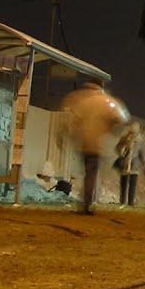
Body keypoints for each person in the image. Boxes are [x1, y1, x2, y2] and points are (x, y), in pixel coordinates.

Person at [60, 80, 129, 214]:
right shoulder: (107, 101)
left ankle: (86, 202)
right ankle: (88, 203)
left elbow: (71, 117)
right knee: (92, 174)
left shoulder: (81, 99)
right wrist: (109, 129)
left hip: (83, 142)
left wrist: (74, 133)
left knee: (87, 173)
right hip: (97, 144)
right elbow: (122, 118)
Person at [115, 122, 145, 207]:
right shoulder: (125, 138)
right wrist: (121, 150)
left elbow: (143, 154)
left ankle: (130, 202)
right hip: (125, 163)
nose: (133, 130)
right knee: (123, 183)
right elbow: (118, 147)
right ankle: (122, 201)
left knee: (133, 184)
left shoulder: (140, 140)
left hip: (135, 165)